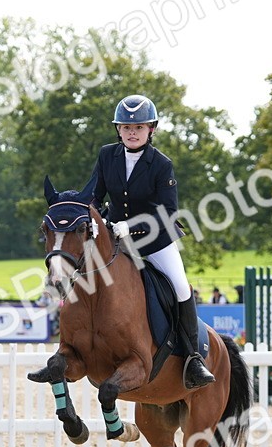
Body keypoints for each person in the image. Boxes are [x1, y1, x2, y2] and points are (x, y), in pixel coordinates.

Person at [82, 93, 214, 389]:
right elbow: (94, 193)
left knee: (180, 286)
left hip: (155, 240)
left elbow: (168, 211)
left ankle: (193, 358)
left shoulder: (161, 164)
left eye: (138, 127)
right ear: (118, 129)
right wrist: (92, 216)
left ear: (151, 129)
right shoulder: (107, 156)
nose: (132, 132)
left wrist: (132, 225)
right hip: (116, 238)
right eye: (126, 127)